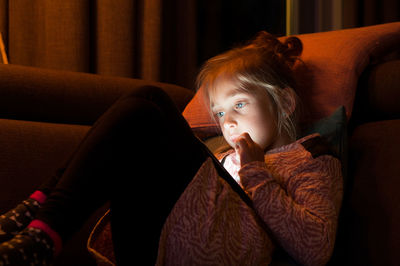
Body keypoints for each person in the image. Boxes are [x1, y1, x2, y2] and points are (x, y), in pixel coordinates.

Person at [0, 31, 343, 266]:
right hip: (159, 239)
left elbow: (315, 249)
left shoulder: (311, 158)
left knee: (151, 102)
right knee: (145, 103)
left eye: (239, 105)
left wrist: (256, 172)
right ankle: (38, 218)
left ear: (284, 103)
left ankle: (43, 227)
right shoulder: (222, 152)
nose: (228, 122)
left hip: (226, 249)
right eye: (220, 113)